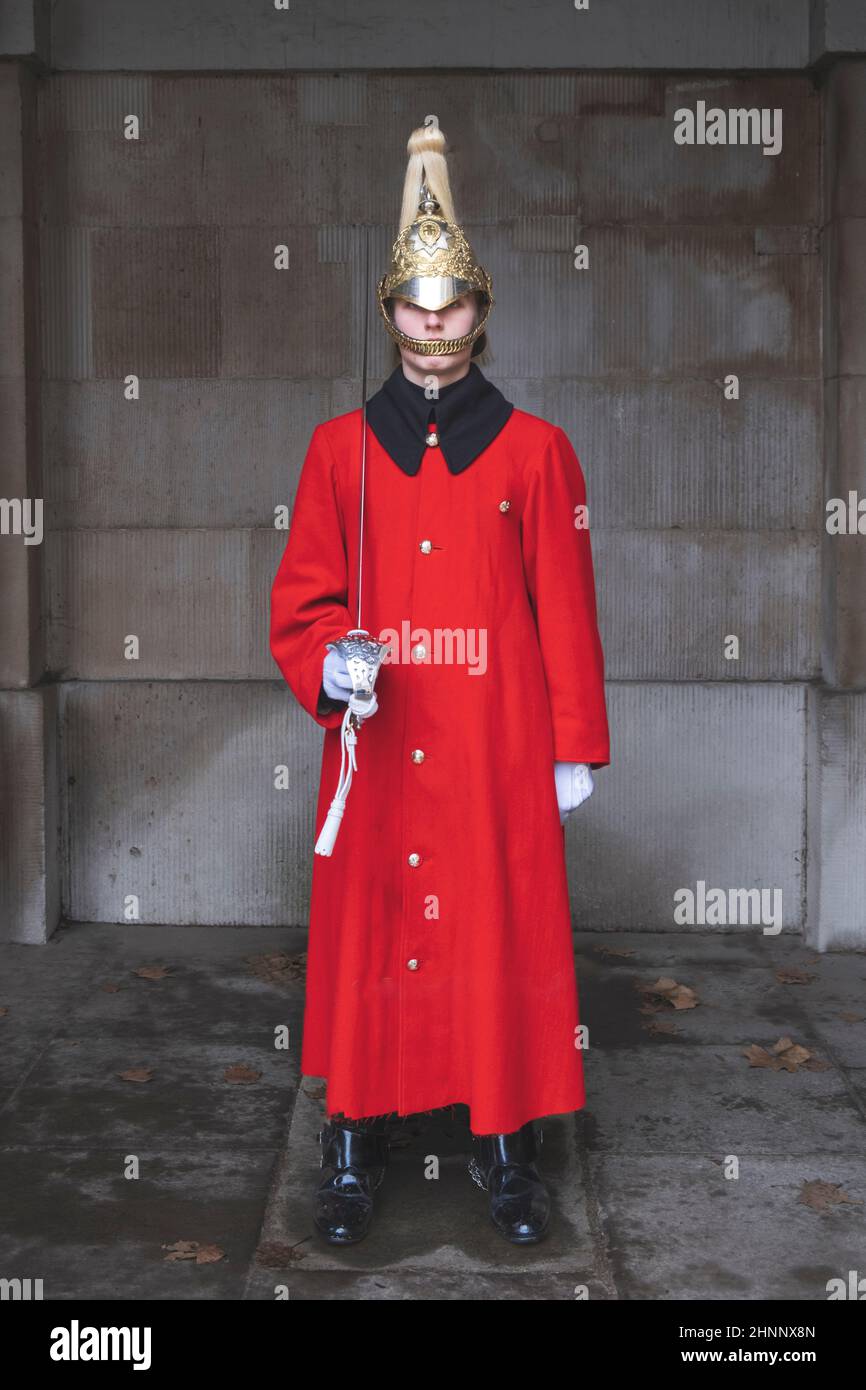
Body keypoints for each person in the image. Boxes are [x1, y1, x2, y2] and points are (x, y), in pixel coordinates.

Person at [269, 123, 610, 1247]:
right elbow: (302, 600)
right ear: (388, 313)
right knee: (370, 938)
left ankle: (511, 1150)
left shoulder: (534, 452)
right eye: (413, 307)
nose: (431, 325)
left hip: (492, 748)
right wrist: (330, 657)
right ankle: (353, 1145)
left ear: (479, 310)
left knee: (496, 940)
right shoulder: (335, 452)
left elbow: (564, 606)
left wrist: (569, 745)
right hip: (376, 746)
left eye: (450, 306)